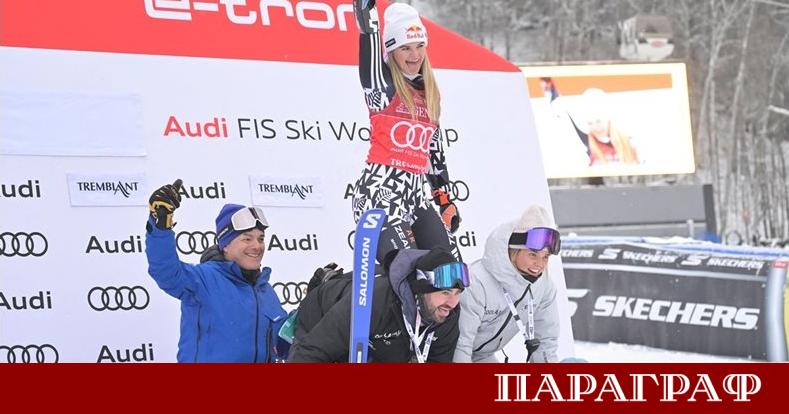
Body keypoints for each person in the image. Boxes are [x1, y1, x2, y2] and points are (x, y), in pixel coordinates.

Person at [351, 0, 462, 264]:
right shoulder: (381, 84)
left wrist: (444, 199)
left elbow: (434, 152)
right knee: (408, 272)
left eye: (419, 46)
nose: (414, 55)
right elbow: (368, 32)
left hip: (415, 195)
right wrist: (367, 13)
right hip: (380, 193)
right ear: (391, 50)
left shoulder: (430, 93)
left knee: (450, 270)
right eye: (405, 48)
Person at [145, 179, 288, 362]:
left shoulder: (266, 291)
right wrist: (160, 225)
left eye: (260, 239)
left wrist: (317, 300)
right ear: (225, 244)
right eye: (247, 239)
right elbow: (165, 270)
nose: (257, 246)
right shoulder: (203, 279)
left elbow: (285, 344)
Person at [288, 247, 469, 362]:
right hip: (322, 317)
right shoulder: (374, 300)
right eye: (445, 292)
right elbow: (313, 351)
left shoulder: (448, 314)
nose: (452, 303)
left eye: (457, 293)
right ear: (421, 289)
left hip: (383, 343)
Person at [453, 205, 561, 363]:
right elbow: (460, 344)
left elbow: (546, 343)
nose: (540, 264)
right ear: (514, 251)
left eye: (546, 257)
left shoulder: (544, 287)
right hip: (449, 355)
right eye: (533, 254)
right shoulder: (476, 282)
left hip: (483, 357)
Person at [580, 88, 639, 166]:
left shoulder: (630, 143)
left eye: (598, 121)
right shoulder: (587, 150)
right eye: (590, 123)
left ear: (608, 119)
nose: (596, 128)